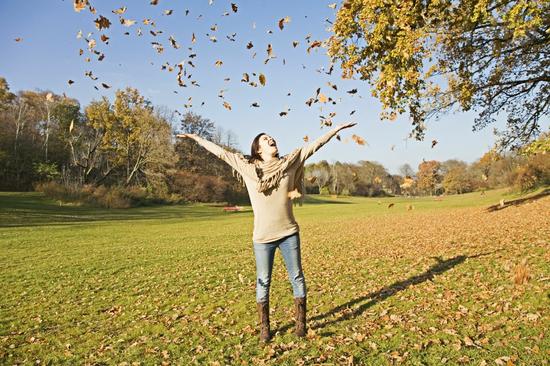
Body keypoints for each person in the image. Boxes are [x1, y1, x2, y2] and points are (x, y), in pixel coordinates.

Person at [176, 122, 356, 343]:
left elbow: (314, 146)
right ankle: (264, 328)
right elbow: (221, 153)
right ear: (258, 149)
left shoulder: (290, 163)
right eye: (265, 138)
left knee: (297, 277)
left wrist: (335, 129)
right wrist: (196, 138)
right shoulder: (248, 168)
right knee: (263, 281)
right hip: (262, 238)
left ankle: (301, 323)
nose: (271, 139)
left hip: (289, 233)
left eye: (272, 137)